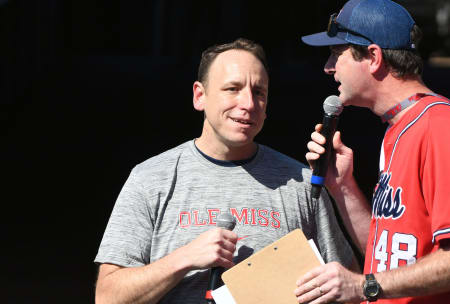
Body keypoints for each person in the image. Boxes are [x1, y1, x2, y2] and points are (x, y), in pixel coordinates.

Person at [94, 38, 356, 304]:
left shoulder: (302, 183)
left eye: (259, 92)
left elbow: (349, 288)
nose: (248, 104)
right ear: (200, 96)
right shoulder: (150, 178)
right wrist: (184, 258)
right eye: (232, 89)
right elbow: (108, 297)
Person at [293, 0, 450, 303]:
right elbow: (388, 260)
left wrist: (362, 286)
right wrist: (344, 187)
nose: (328, 67)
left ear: (374, 57)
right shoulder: (399, 128)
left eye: (337, 53)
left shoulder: (439, 126)